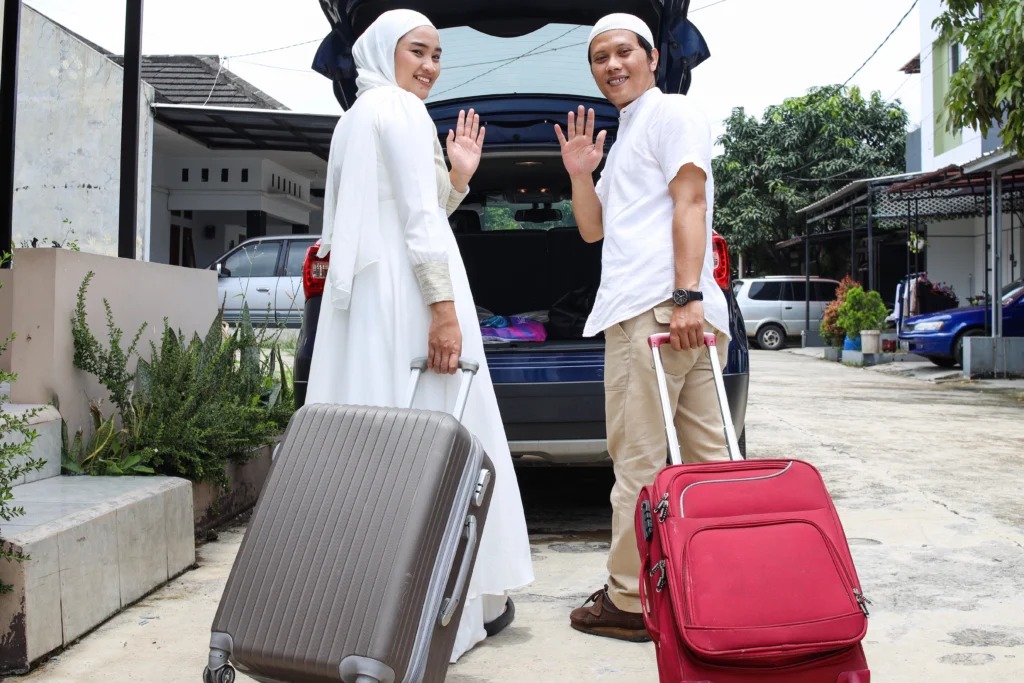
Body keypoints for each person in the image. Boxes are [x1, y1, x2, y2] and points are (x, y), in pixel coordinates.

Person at [304, 9, 534, 663]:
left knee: (367, 450)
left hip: (367, 310)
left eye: (437, 55)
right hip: (411, 296)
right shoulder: (402, 115)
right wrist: (443, 310)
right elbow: (419, 224)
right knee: (438, 438)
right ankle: (449, 606)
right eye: (418, 51)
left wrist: (457, 176)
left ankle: (360, 605)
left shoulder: (355, 118)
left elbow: (405, 207)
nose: (430, 66)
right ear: (385, 50)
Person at [555, 13, 731, 642]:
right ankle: (723, 587)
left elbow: (691, 201)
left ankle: (629, 601)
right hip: (674, 310)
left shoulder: (671, 112)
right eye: (599, 58)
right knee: (711, 463)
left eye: (623, 52)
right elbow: (594, 229)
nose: (612, 65)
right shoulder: (629, 131)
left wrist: (685, 295)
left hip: (656, 312)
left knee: (637, 463)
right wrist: (580, 173)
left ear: (653, 57)